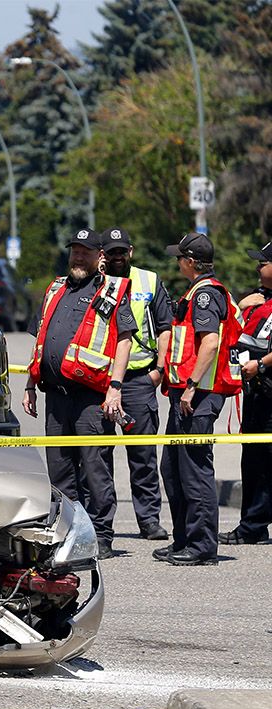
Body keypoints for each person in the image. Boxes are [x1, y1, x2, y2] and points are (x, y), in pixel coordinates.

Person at [23, 229, 136, 560]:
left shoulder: (111, 290)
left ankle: (101, 534)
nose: (78, 257)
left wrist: (115, 387)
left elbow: (125, 340)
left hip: (91, 397)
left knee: (93, 466)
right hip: (55, 396)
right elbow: (41, 337)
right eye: (75, 250)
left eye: (85, 251)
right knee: (59, 468)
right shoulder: (56, 288)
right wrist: (31, 382)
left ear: (99, 255)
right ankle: (68, 531)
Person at [153, 232, 243, 567]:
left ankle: (203, 546)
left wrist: (190, 386)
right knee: (173, 469)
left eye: (180, 257)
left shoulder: (205, 295)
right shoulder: (195, 292)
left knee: (194, 471)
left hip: (199, 395)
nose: (177, 262)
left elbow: (209, 344)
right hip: (186, 394)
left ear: (190, 261)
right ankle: (184, 539)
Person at [100, 227, 173, 541]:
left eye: (122, 251)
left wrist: (159, 371)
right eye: (111, 251)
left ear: (130, 251)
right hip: (100, 382)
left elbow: (166, 326)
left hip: (139, 380)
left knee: (143, 455)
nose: (118, 256)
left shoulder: (149, 280)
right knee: (98, 456)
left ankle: (149, 520)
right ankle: (100, 524)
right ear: (102, 254)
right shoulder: (93, 281)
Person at [219, 240, 272, 545]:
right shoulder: (259, 300)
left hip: (267, 388)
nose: (257, 267)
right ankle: (252, 526)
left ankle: (253, 524)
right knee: (253, 463)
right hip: (256, 395)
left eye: (263, 262)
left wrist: (261, 366)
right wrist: (241, 307)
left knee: (265, 462)